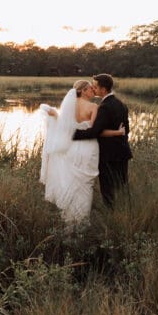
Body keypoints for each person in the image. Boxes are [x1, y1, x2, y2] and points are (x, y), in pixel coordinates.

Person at [40, 79, 124, 222]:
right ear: (83, 91)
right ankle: (81, 220)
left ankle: (70, 217)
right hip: (88, 147)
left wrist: (55, 115)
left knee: (73, 182)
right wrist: (118, 132)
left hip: (72, 148)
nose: (93, 91)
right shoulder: (93, 107)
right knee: (85, 184)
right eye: (90, 89)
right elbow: (95, 132)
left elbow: (65, 127)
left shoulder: (69, 107)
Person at [72, 73, 132, 207]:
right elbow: (126, 130)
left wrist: (72, 135)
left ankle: (112, 215)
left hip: (108, 154)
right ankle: (125, 212)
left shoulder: (104, 107)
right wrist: (118, 134)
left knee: (108, 188)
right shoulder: (121, 104)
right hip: (123, 152)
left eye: (95, 86)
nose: (93, 88)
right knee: (122, 186)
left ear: (103, 90)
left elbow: (94, 132)